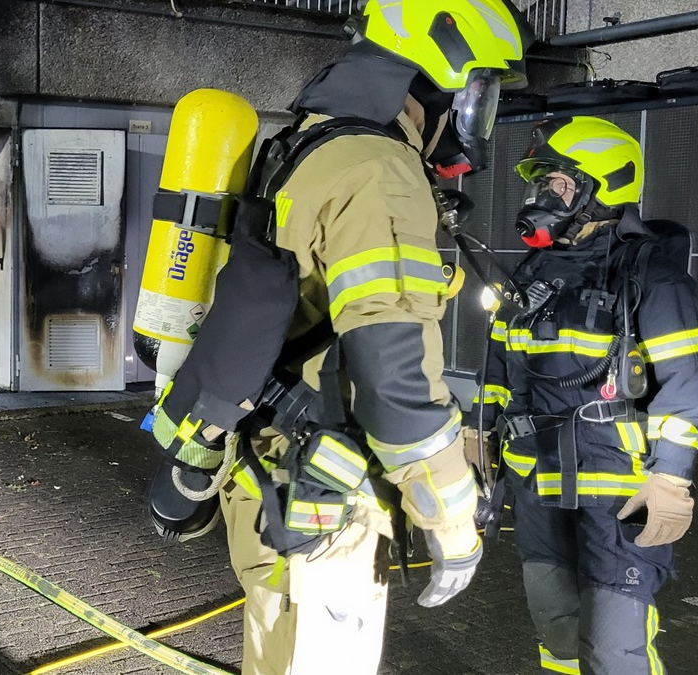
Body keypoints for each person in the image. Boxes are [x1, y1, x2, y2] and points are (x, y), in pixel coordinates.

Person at [214, 2, 530, 673]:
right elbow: (395, 380)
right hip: (329, 508)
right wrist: (451, 520)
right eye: (477, 93)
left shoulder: (303, 144)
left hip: (271, 479)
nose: (473, 117)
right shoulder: (379, 171)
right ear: (436, 74)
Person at [473, 116, 698, 674]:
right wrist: (479, 441)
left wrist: (672, 477)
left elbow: (687, 387)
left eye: (558, 184)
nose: (541, 197)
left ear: (601, 188)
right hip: (536, 479)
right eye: (542, 184)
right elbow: (500, 368)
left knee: (614, 646)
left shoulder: (654, 280)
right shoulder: (534, 275)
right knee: (556, 625)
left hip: (618, 490)